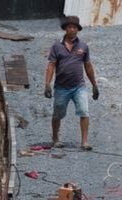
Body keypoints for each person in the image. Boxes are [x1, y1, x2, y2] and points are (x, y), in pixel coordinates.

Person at [42, 15, 100, 150]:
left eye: (74, 27)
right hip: (61, 87)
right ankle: (55, 138)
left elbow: (88, 66)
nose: (72, 30)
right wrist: (47, 84)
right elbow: (51, 65)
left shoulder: (83, 46)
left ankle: (84, 142)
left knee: (84, 112)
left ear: (78, 30)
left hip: (79, 87)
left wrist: (94, 85)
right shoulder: (57, 46)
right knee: (58, 113)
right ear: (65, 29)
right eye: (70, 27)